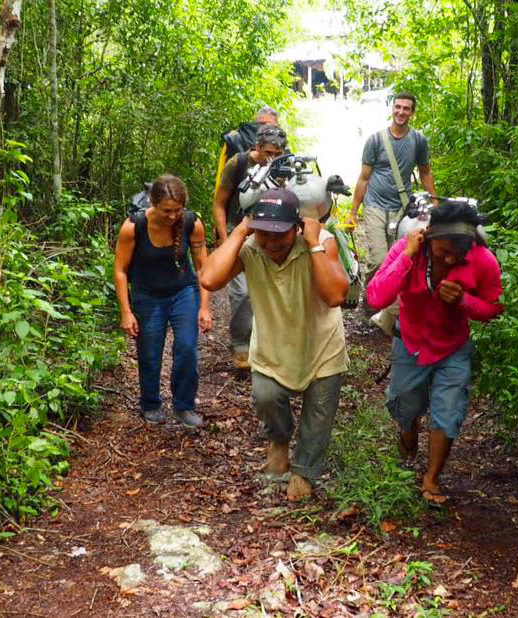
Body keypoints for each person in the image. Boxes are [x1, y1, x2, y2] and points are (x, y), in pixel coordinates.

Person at [200, 188, 349, 501]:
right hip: (272, 346)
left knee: (318, 416)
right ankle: (279, 439)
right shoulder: (251, 247)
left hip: (321, 345)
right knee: (266, 397)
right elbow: (210, 279)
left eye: (279, 235)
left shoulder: (321, 243)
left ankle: (304, 472)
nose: (271, 244)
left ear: (295, 227)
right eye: (263, 234)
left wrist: (313, 243)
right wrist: (240, 230)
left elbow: (336, 295)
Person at [367, 203, 504, 505]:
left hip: (453, 348)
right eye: (443, 251)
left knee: (448, 411)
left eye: (459, 252)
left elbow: (494, 308)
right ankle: (408, 430)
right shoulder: (410, 248)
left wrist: (465, 302)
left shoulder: (483, 260)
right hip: (410, 343)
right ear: (428, 237)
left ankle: (431, 479)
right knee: (405, 404)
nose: (451, 257)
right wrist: (407, 255)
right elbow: (376, 296)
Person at [114, 175, 213, 428]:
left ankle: (184, 405)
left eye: (177, 210)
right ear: (153, 203)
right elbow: (121, 270)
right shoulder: (133, 226)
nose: (172, 216)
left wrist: (204, 306)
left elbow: (203, 268)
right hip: (147, 295)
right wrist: (126, 312)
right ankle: (150, 403)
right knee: (149, 353)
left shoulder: (192, 223)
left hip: (183, 291)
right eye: (166, 210)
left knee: (187, 347)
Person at [346, 92, 437, 334]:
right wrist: (353, 212)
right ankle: (373, 302)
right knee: (378, 260)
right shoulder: (376, 140)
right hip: (375, 206)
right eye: (398, 107)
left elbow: (425, 172)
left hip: (403, 209)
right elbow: (364, 177)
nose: (401, 112)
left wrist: (435, 202)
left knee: (402, 261)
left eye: (407, 108)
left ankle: (389, 313)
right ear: (392, 109)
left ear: (412, 112)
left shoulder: (418, 140)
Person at [212, 124, 288, 369]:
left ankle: (267, 343)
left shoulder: (284, 166)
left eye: (278, 153)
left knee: (269, 290)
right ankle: (241, 345)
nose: (272, 158)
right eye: (268, 152)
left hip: (271, 238)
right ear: (256, 147)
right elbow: (219, 203)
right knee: (242, 292)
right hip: (239, 233)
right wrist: (225, 240)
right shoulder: (239, 163)